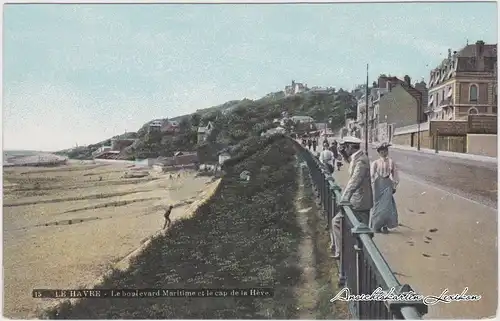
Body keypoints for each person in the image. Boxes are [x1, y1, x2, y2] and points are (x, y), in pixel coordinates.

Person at [330, 136, 373, 259]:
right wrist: (342, 153)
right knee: (362, 231)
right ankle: (357, 256)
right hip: (360, 201)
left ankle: (343, 254)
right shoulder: (358, 157)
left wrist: (344, 198)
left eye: (345, 147)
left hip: (359, 201)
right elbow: (349, 163)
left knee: (338, 223)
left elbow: (355, 181)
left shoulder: (361, 161)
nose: (344, 148)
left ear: (350, 147)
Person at [369, 142, 399, 234]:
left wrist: (394, 185)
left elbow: (395, 175)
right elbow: (372, 175)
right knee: (377, 206)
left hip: (387, 184)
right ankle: (376, 225)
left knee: (387, 206)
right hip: (378, 185)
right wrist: (373, 183)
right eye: (382, 152)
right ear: (379, 153)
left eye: (385, 151)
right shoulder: (375, 163)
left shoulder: (391, 162)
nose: (384, 153)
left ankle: (385, 225)